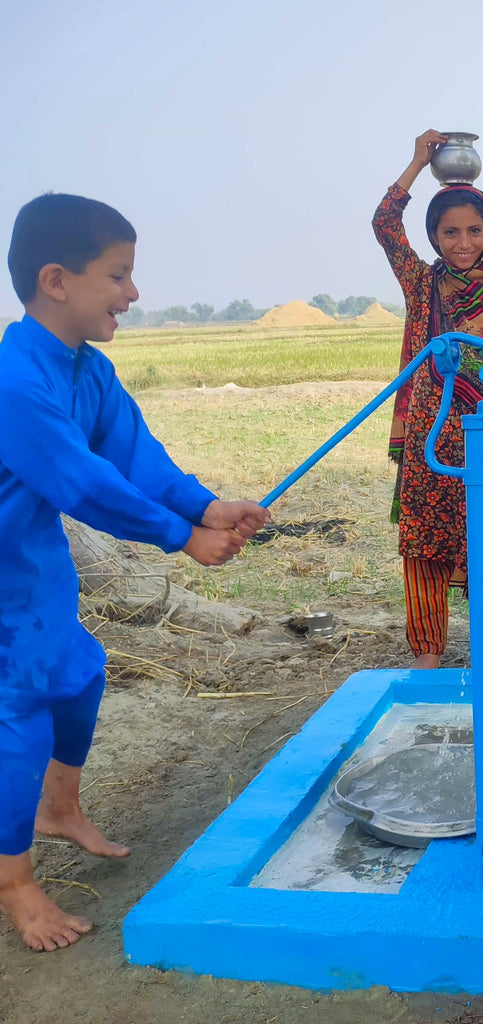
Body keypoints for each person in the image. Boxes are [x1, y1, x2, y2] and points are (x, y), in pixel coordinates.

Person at [0, 193, 269, 952]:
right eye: (118, 276)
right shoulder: (15, 383)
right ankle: (15, 882)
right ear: (57, 280)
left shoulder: (89, 371)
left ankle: (58, 808)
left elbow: (134, 458)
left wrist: (207, 506)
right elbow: (81, 483)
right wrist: (178, 537)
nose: (133, 293)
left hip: (31, 559)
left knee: (80, 675)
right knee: (16, 716)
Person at [373, 130, 483, 669]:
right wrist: (419, 161)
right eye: (449, 232)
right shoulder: (423, 285)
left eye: (473, 230)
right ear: (435, 235)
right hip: (429, 438)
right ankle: (426, 656)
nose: (462, 242)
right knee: (424, 548)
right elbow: (384, 226)